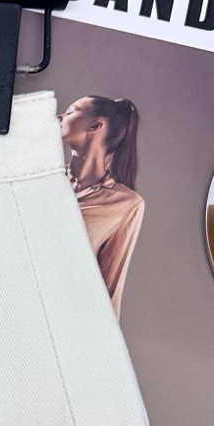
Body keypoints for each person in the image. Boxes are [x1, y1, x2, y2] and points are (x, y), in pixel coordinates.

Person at [59, 95, 145, 315]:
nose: (59, 117)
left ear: (95, 125)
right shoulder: (44, 180)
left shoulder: (126, 204)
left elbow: (109, 289)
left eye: (70, 111)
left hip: (65, 319)